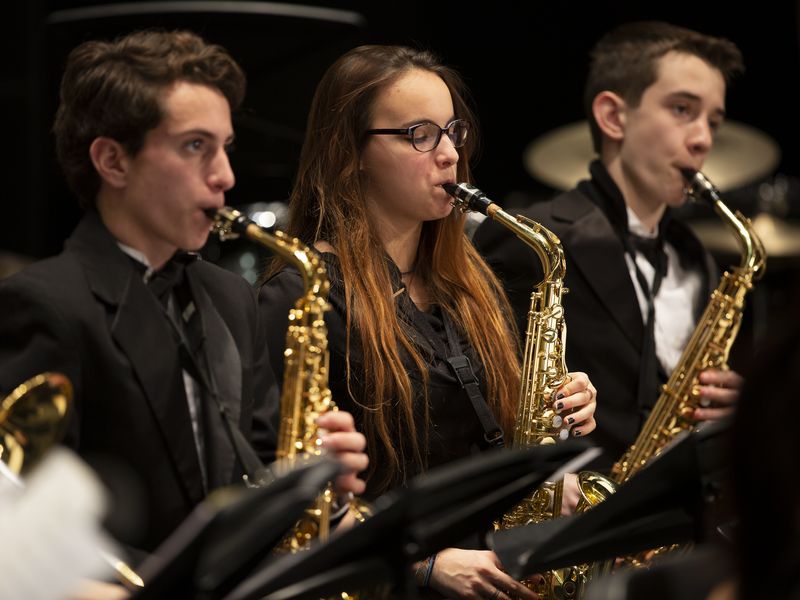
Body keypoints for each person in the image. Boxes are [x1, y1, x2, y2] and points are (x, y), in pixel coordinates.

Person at [0, 29, 368, 561]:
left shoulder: (229, 297)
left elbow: (260, 467)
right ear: (113, 161)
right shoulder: (44, 306)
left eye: (224, 148)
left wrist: (315, 485)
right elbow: (20, 528)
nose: (225, 176)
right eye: (195, 146)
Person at [259, 44, 597, 600]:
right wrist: (422, 565)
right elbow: (290, 511)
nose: (449, 155)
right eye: (420, 133)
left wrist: (556, 426)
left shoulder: (468, 286)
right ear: (352, 153)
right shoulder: (300, 299)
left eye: (453, 132)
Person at [473, 21, 745, 470]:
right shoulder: (534, 238)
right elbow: (487, 407)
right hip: (568, 522)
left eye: (713, 121)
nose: (703, 139)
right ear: (613, 116)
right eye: (682, 109)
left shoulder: (697, 259)